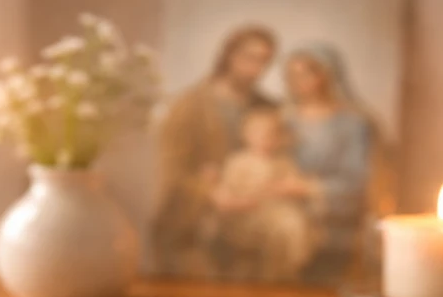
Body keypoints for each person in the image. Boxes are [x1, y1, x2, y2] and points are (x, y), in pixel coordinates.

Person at [152, 25, 278, 276]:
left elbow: (280, 159)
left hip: (254, 210)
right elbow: (173, 171)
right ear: (229, 55)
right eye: (250, 58)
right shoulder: (189, 105)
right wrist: (211, 193)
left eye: (264, 61)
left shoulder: (267, 107)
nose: (256, 69)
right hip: (196, 219)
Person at [275, 43, 388, 283]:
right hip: (281, 213)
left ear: (327, 75)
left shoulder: (352, 123)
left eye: (306, 73)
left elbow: (360, 181)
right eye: (292, 75)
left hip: (336, 219)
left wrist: (308, 188)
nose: (297, 81)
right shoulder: (281, 119)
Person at [207, 106, 315, 282]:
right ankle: (272, 272)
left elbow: (295, 184)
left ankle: (285, 270)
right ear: (246, 135)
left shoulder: (283, 161)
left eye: (272, 134)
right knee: (285, 225)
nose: (266, 139)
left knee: (292, 222)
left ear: (279, 138)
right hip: (246, 213)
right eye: (258, 133)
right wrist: (233, 198)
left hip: (275, 209)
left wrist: (291, 187)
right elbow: (226, 192)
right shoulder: (239, 161)